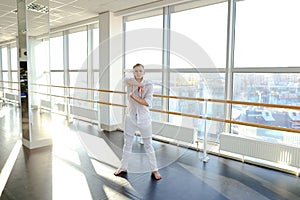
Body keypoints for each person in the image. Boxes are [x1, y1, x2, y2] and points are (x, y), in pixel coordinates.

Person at [114, 63, 162, 180]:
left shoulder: (149, 84)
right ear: (133, 72)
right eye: (135, 71)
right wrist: (139, 85)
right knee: (127, 144)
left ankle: (155, 170)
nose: (138, 73)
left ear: (144, 72)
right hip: (130, 117)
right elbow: (125, 80)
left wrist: (134, 96)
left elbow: (147, 102)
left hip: (144, 119)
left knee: (148, 145)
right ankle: (123, 167)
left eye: (140, 71)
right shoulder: (129, 81)